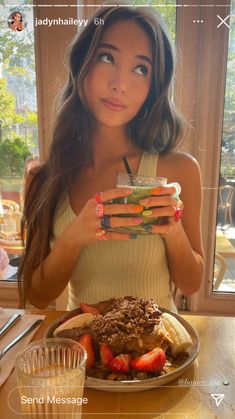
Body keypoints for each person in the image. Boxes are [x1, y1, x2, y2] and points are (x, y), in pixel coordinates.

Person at [18, 5, 205, 311]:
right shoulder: (44, 177)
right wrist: (74, 237)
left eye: (141, 68)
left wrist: (173, 230)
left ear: (153, 87)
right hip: (83, 353)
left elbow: (191, 283)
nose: (120, 83)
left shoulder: (178, 170)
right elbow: (38, 297)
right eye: (107, 57)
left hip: (159, 352)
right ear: (82, 64)